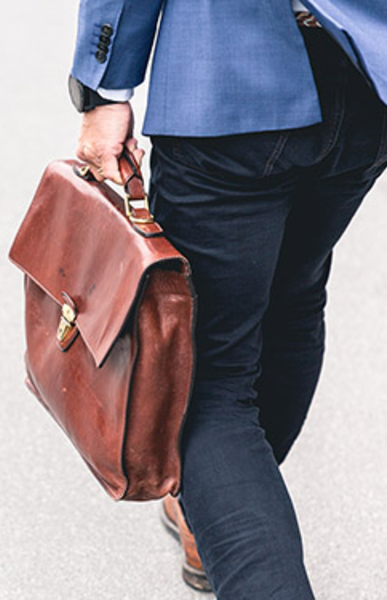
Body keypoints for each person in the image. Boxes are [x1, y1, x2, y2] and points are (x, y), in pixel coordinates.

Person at [68, 1, 387, 598]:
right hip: (368, 78)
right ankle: (218, 506)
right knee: (293, 298)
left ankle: (226, 509)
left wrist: (104, 86)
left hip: (230, 76)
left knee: (206, 373)